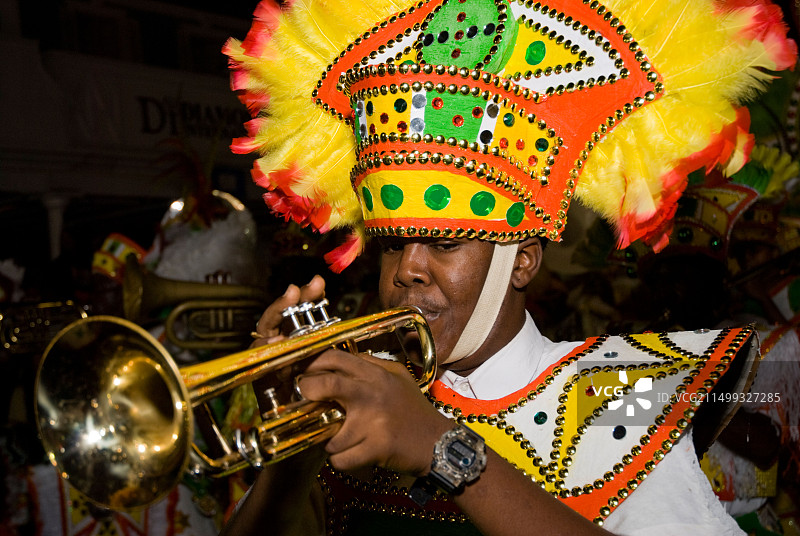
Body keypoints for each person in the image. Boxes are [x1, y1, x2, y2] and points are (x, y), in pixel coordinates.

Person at [220, 0, 796, 534]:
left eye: (445, 244)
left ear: (522, 262)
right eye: (393, 244)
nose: (408, 271)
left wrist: (440, 447)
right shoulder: (360, 391)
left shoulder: (623, 393)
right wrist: (293, 443)